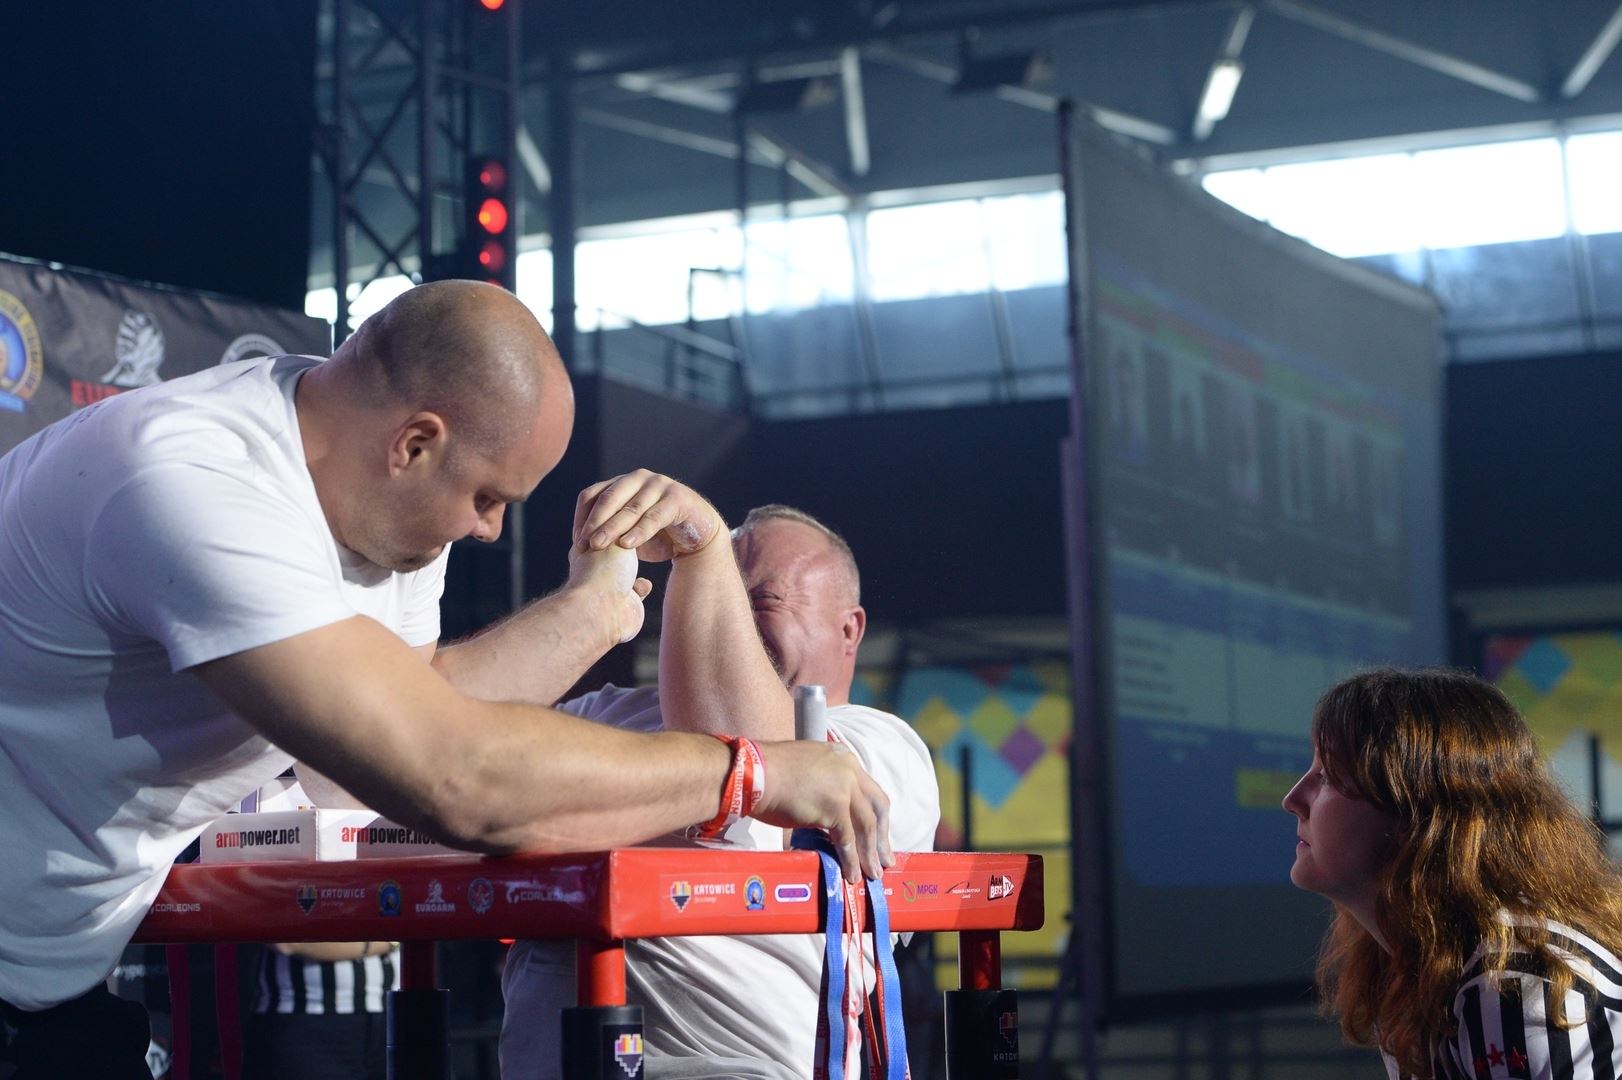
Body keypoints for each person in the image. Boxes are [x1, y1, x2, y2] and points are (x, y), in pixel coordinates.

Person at [0, 281, 891, 1078]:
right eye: (489, 498)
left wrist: (597, 611)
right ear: (415, 443)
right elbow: (450, 775)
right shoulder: (193, 484)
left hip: (51, 983)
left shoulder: (363, 480)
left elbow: (383, 735)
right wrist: (753, 771)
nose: (493, 532)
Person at [500, 492, 940, 1080]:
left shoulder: (883, 748)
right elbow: (450, 774)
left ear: (849, 630)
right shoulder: (603, 713)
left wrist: (702, 545)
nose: (727, 611)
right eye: (712, 590)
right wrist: (585, 611)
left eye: (761, 598)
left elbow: (748, 758)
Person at [1282, 668, 1622, 1080]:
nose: (1293, 799)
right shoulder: (1429, 966)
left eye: (1328, 777)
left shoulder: (1510, 981)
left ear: (1421, 814)